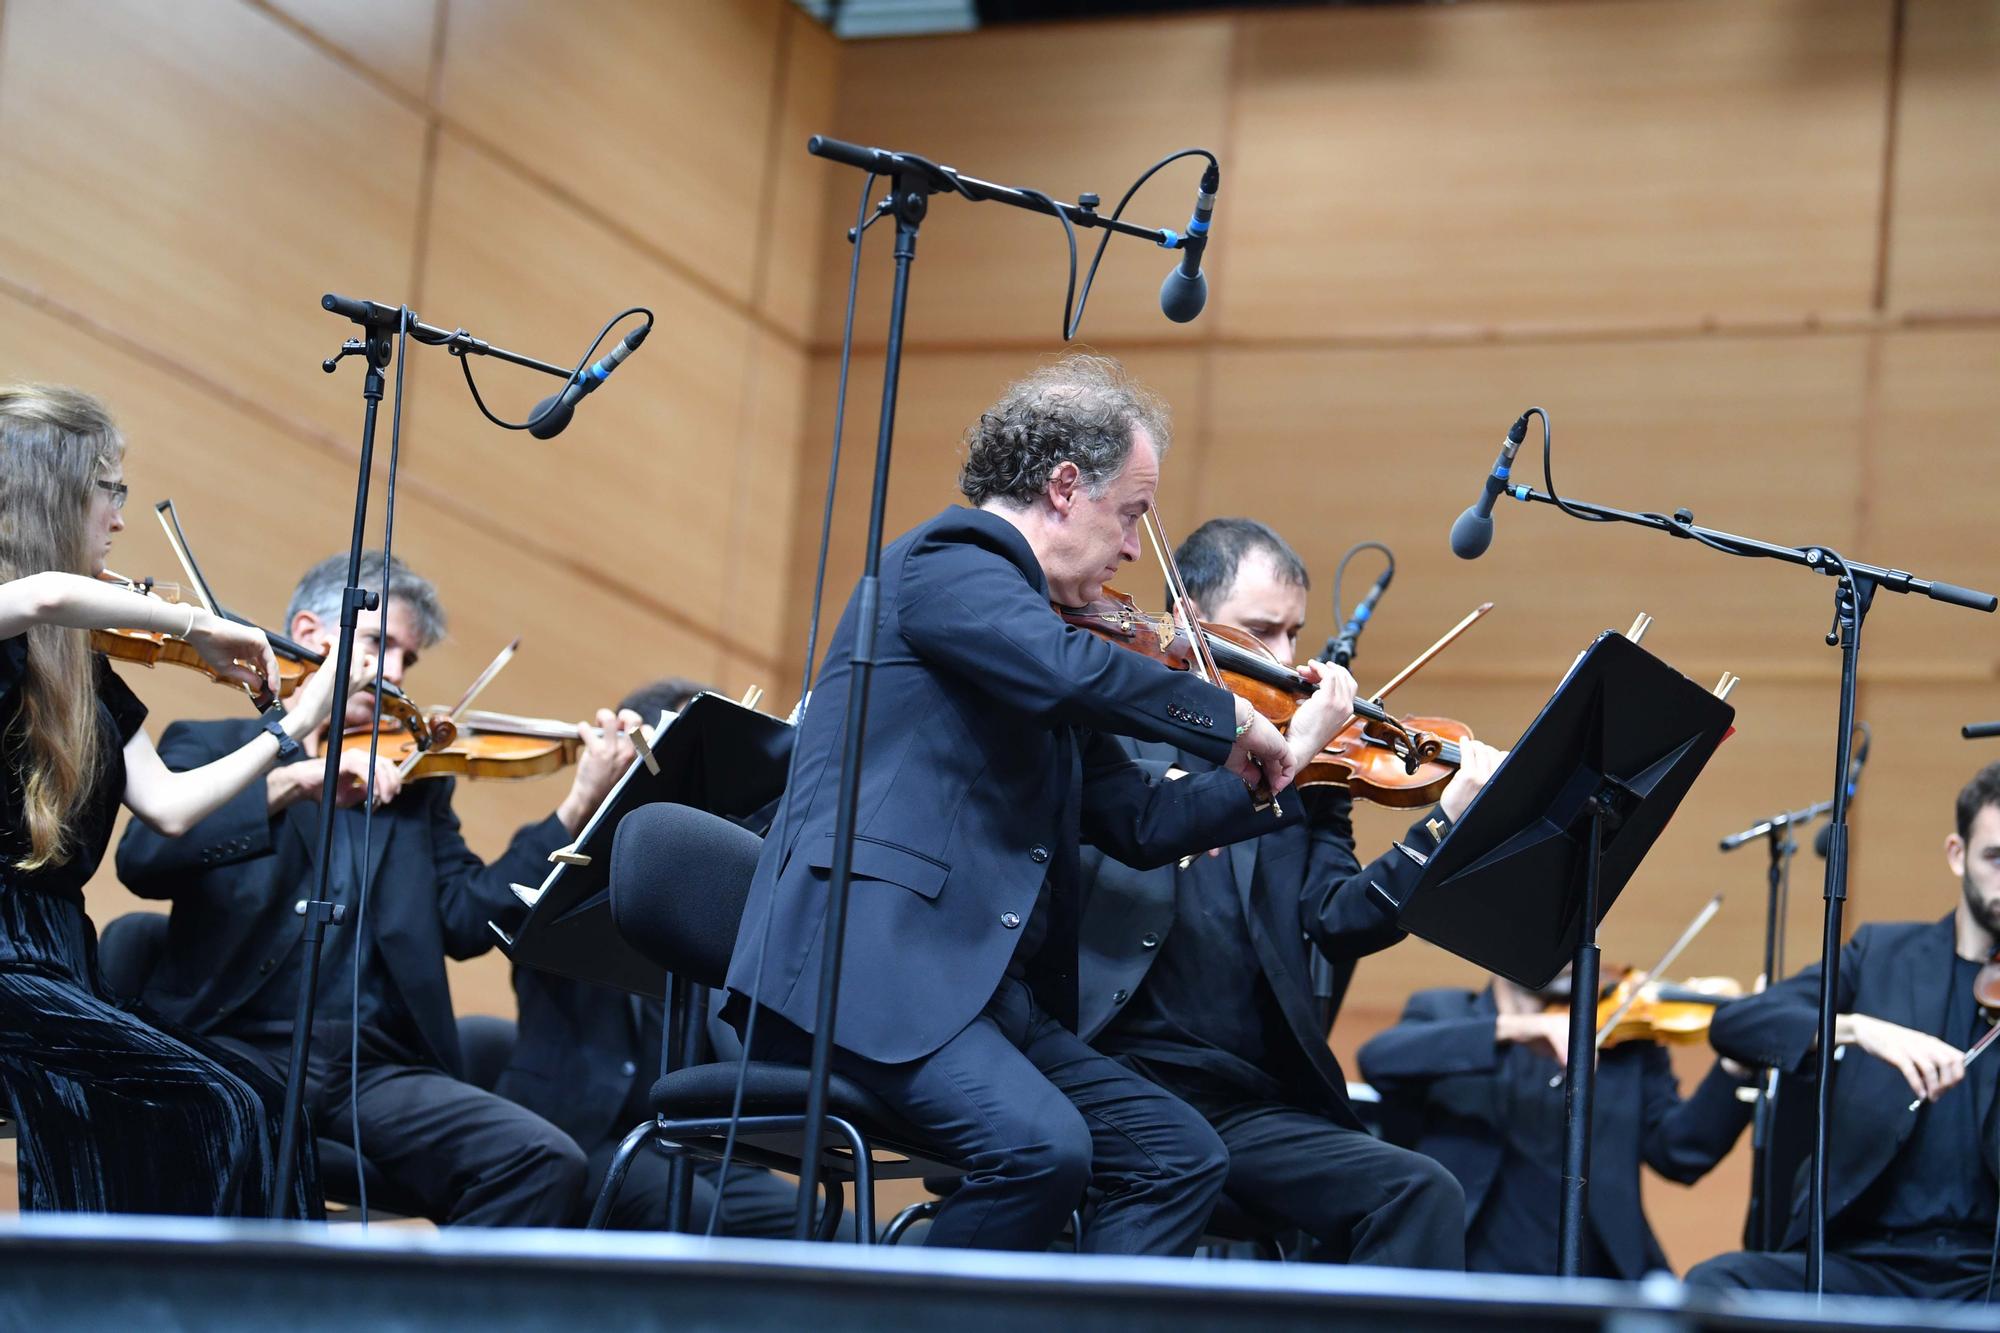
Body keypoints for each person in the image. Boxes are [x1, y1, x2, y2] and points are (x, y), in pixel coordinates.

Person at [713, 354, 1356, 1253]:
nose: (1136, 547)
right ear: (1064, 487)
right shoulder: (950, 561)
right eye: (1131, 513)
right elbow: (1061, 673)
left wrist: (1274, 765)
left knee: (1179, 1154)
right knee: (1042, 1150)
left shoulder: (1046, 641)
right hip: (862, 975)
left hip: (978, 995)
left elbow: (1137, 822)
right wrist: (1225, 712)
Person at [116, 550, 638, 1226]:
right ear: (310, 633)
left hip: (376, 1067)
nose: (393, 674)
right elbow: (145, 856)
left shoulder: (414, 787)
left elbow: (465, 920)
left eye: (406, 660)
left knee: (542, 1159)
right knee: (251, 1133)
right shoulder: (210, 747)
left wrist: (579, 806)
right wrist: (291, 779)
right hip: (239, 1042)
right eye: (377, 644)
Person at [1080, 517, 1506, 1269]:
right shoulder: (1117, 729)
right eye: (1260, 631)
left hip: (1245, 1100)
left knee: (1418, 1190)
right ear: (1188, 620)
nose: (1286, 663)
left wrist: (1443, 825)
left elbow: (1339, 921)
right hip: (1116, 1071)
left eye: (1294, 634)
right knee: (1175, 1164)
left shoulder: (1306, 773)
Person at [0, 383, 356, 1216]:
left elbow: (170, 805)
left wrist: (293, 724)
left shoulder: (84, 669)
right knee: (210, 1106)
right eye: (108, 490)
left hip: (58, 964)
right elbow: (41, 597)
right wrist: (195, 624)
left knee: (272, 1106)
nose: (119, 517)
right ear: (54, 495)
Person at [496, 676, 802, 1236]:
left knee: (810, 1222)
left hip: (689, 1136)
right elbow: (497, 916)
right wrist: (585, 802)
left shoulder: (705, 877)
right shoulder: (571, 856)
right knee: (686, 1210)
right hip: (573, 1128)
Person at [1685, 760, 2000, 1300]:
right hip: (1864, 1265)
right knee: (1716, 1285)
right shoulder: (1881, 955)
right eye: (1996, 858)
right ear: (1957, 855)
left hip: (1986, 1275)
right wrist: (1858, 1029)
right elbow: (1738, 1022)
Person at [1359, 967, 1754, 1278]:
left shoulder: (1623, 1037)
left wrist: (1736, 1066)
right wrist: (1514, 1029)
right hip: (1469, 1267)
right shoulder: (1446, 1012)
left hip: (1593, 1278)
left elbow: (1680, 1153)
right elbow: (1379, 1059)